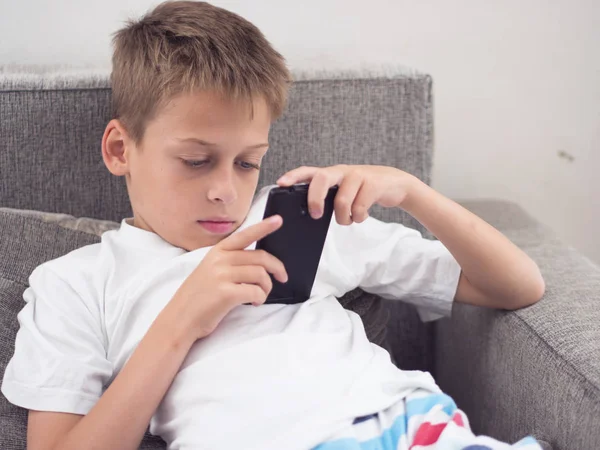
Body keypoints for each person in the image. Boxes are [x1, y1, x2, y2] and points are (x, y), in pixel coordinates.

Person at [1, 2, 545, 449]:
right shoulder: (75, 282)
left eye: (246, 162)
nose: (224, 190)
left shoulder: (296, 219)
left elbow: (517, 286)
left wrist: (412, 192)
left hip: (415, 425)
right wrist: (181, 320)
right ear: (121, 148)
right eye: (195, 161)